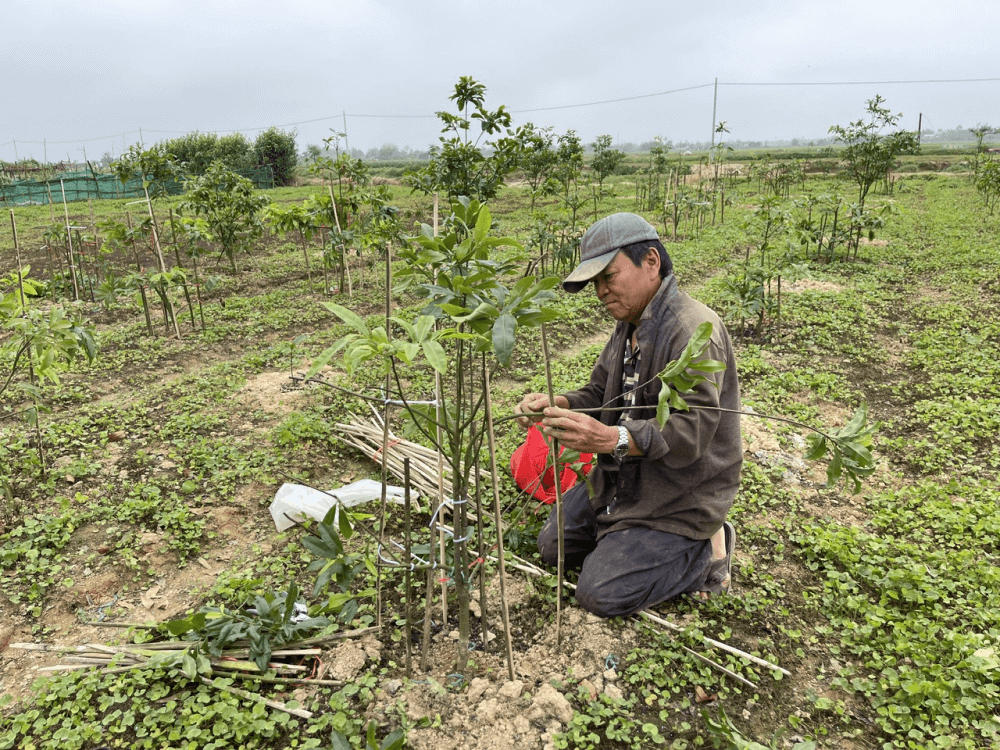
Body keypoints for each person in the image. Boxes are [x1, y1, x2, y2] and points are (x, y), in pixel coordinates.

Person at [514, 212, 742, 618]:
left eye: (609, 276)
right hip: (621, 478)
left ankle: (706, 548)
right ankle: (625, 538)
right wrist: (559, 405)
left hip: (677, 494)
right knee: (553, 547)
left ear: (651, 261)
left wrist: (609, 439)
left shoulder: (692, 330)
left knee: (600, 591)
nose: (601, 291)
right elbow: (601, 391)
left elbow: (690, 432)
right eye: (595, 283)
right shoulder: (630, 322)